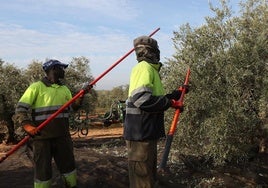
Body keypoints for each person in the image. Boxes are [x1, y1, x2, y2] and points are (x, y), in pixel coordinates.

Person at [123, 36, 188, 188]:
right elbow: (142, 99)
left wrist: (174, 95)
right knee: (142, 181)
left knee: (148, 178)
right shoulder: (144, 68)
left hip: (147, 133)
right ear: (151, 52)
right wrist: (171, 102)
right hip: (140, 135)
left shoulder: (150, 70)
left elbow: (154, 99)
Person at [13, 59, 83, 188]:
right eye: (61, 68)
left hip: (62, 136)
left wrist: (80, 97)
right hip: (41, 138)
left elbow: (72, 108)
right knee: (43, 172)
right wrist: (27, 125)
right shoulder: (36, 87)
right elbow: (20, 109)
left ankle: (71, 186)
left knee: (68, 168)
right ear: (53, 69)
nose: (64, 71)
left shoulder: (64, 89)